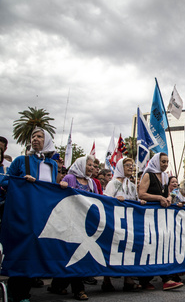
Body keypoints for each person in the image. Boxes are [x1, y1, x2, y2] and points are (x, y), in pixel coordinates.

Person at [4, 128, 70, 302]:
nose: (35, 139)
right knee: (23, 252)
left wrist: (60, 185)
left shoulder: (52, 164)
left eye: (39, 136)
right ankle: (18, 293)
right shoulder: (21, 161)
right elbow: (5, 180)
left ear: (46, 140)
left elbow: (50, 189)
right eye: (33, 136)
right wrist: (21, 181)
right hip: (24, 214)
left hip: (43, 215)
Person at [51, 155, 97, 300]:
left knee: (77, 256)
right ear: (81, 164)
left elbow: (98, 199)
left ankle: (57, 285)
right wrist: (62, 186)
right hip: (69, 222)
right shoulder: (70, 178)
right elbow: (59, 196)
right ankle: (79, 289)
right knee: (72, 254)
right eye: (89, 164)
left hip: (84, 223)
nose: (91, 167)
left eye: (92, 165)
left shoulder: (91, 182)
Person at [138, 153, 184, 290]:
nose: (165, 164)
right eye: (163, 161)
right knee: (151, 247)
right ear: (156, 162)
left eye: (167, 162)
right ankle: (146, 280)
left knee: (161, 247)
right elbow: (141, 194)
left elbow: (167, 194)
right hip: (149, 217)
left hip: (161, 218)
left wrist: (169, 199)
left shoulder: (164, 177)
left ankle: (165, 279)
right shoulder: (148, 175)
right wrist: (159, 198)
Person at [102, 157, 145, 292]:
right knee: (110, 249)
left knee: (128, 249)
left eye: (132, 166)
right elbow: (106, 200)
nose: (130, 168)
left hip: (128, 223)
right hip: (114, 221)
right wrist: (115, 200)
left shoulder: (132, 186)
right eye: (127, 165)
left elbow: (134, 200)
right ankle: (106, 280)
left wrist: (140, 202)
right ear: (121, 166)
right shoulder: (113, 183)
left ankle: (128, 278)